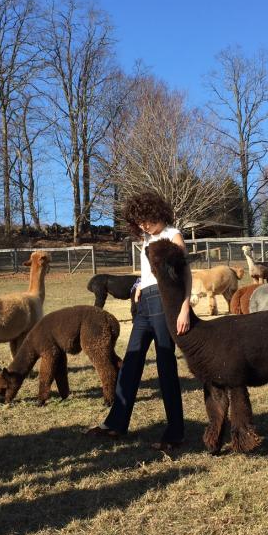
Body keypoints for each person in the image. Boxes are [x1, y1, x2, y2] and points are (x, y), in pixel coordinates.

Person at [85, 191, 192, 450]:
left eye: (146, 219)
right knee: (131, 360)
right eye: (139, 221)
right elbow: (147, 272)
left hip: (164, 302)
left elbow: (186, 273)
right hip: (143, 303)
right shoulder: (147, 238)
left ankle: (174, 434)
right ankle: (115, 424)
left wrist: (185, 307)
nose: (143, 225)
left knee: (166, 365)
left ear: (158, 213)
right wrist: (140, 286)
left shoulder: (172, 235)